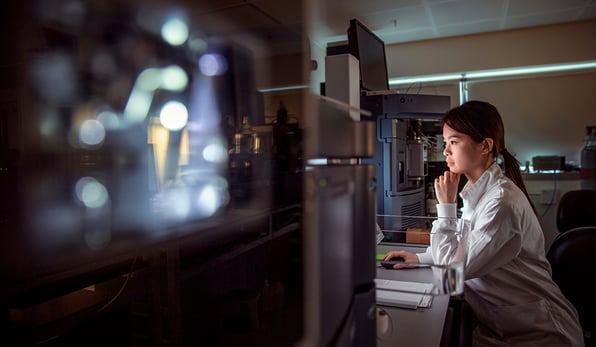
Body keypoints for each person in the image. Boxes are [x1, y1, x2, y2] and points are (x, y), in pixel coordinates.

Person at [383, 101, 584, 346]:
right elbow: (461, 249)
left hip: (541, 335)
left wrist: (445, 207)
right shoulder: (478, 193)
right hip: (505, 327)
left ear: (485, 146)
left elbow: (450, 279)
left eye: (454, 142)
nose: (446, 151)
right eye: (445, 143)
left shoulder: (501, 204)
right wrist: (420, 258)